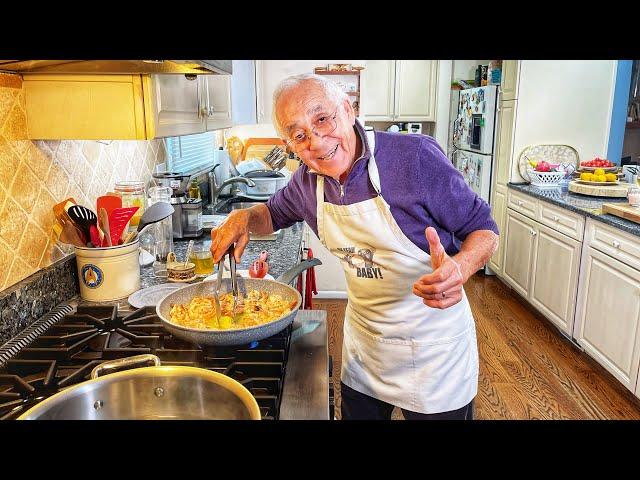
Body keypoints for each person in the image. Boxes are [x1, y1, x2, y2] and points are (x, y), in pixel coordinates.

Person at [210, 73, 499, 420]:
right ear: (290, 144)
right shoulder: (305, 182)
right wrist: (244, 217)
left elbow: (484, 228)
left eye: (322, 119)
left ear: (347, 110)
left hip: (433, 351)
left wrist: (461, 268)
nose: (316, 143)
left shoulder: (414, 158)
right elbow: (271, 214)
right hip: (367, 349)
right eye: (299, 135)